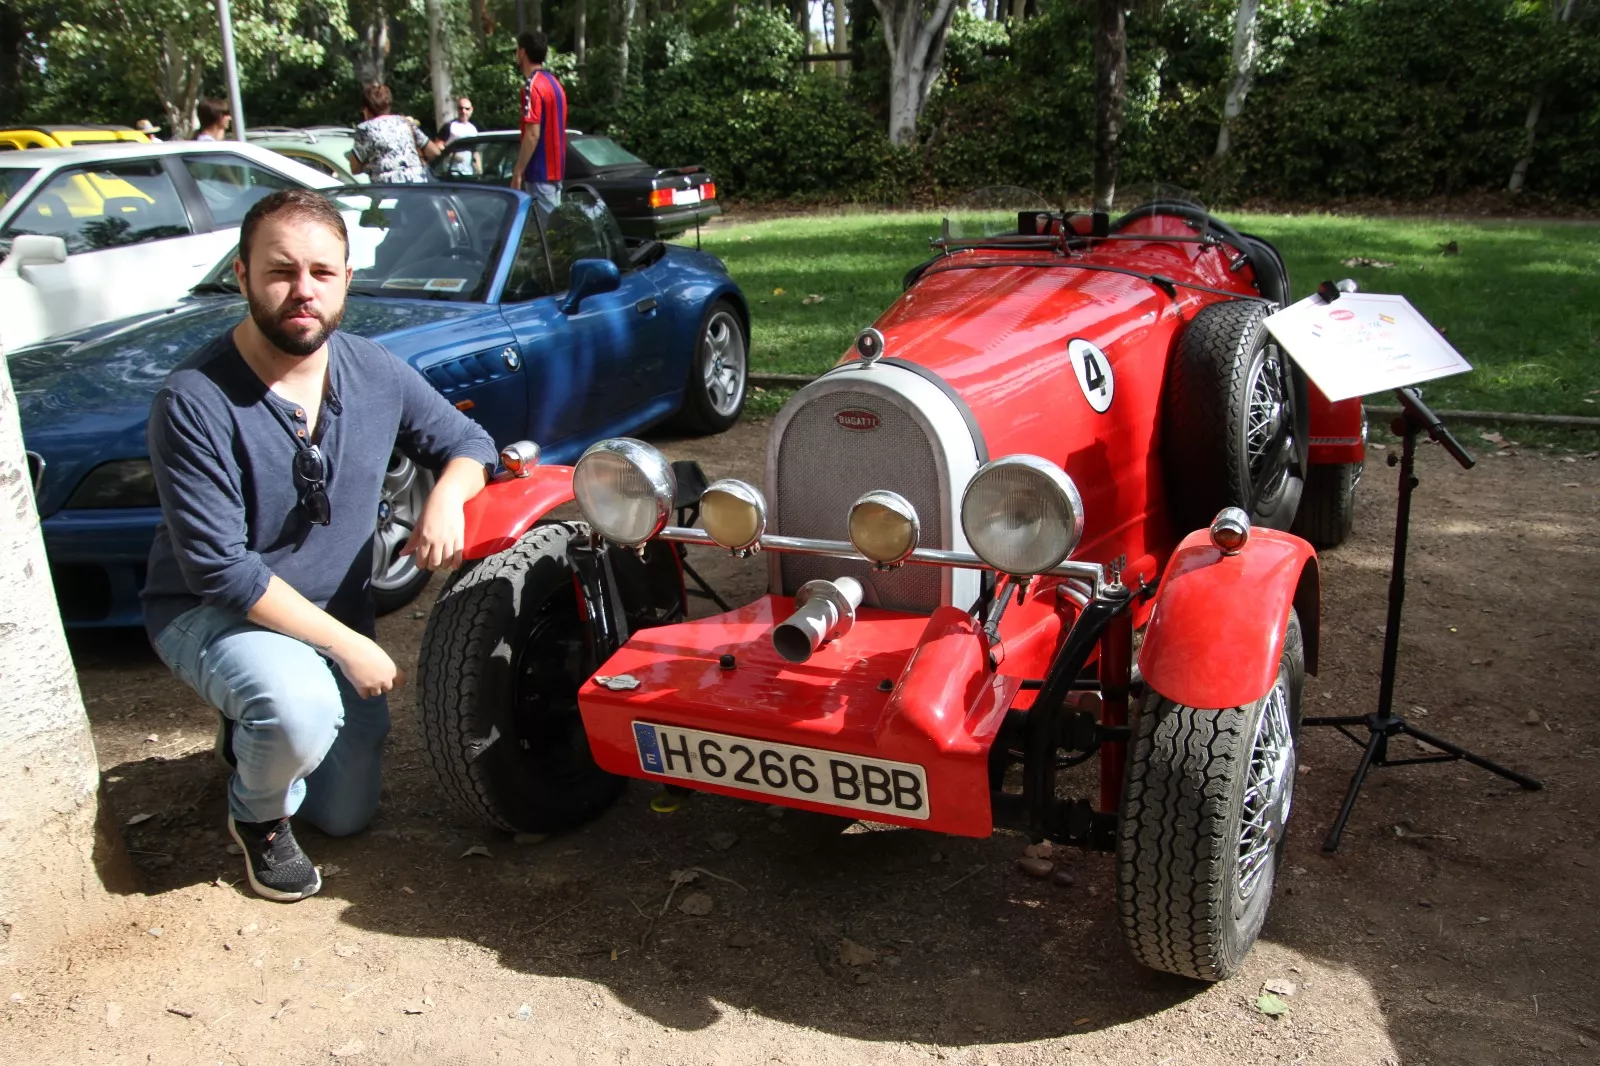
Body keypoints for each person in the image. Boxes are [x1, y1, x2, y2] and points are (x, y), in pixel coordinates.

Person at [143, 189, 497, 902]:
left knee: (345, 815)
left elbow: (469, 442)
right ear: (241, 275)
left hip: (321, 618)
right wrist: (348, 644)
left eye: (322, 272)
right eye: (279, 271)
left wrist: (445, 497)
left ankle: (254, 727)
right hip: (210, 610)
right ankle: (258, 816)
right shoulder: (193, 399)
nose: (302, 290)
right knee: (299, 708)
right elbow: (222, 571)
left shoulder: (372, 368)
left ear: (346, 278)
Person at [510, 30, 567, 212]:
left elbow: (533, 133)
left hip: (539, 173)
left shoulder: (532, 86)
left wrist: (518, 172)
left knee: (548, 234)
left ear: (522, 52)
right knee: (551, 231)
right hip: (556, 171)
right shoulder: (554, 83)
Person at [349, 83, 438, 184]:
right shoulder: (405, 122)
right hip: (417, 187)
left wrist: (370, 166)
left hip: (388, 191)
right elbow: (434, 152)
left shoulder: (366, 129)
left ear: (366, 110)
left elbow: (354, 168)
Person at [431, 96, 480, 178]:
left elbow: (475, 151)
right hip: (451, 173)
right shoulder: (450, 126)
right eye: (461, 108)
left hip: (469, 173)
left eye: (467, 109)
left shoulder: (473, 129)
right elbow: (437, 145)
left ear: (471, 110)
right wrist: (453, 155)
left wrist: (479, 171)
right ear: (457, 110)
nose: (463, 111)